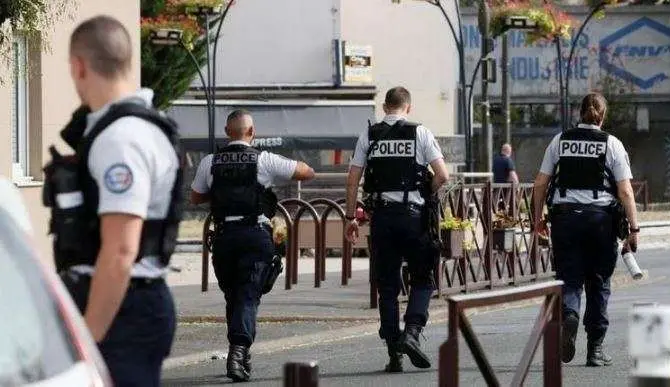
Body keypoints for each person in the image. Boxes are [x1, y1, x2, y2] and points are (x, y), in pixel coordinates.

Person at [42, 15, 182, 386]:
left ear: (78, 66)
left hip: (120, 309)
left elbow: (121, 252)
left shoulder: (121, 138)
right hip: (127, 305)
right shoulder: (133, 128)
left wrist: (86, 342)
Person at [190, 109, 315, 382]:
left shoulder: (210, 161)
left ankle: (240, 351)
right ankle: (238, 350)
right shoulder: (264, 160)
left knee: (233, 295)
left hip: (224, 237)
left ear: (226, 132)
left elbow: (196, 197)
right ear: (252, 132)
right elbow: (307, 172)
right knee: (247, 295)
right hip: (255, 235)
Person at [344, 86, 449, 373]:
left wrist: (351, 216)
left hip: (382, 219)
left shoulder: (369, 134)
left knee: (387, 287)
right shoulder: (421, 133)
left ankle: (394, 352)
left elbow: (352, 179)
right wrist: (427, 195)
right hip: (414, 218)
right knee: (423, 278)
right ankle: (412, 333)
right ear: (408, 108)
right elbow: (443, 175)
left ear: (384, 106)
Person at [532, 93, 639, 367]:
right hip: (600, 221)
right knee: (599, 283)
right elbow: (625, 191)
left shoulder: (559, 141)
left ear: (579, 114)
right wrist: (634, 228)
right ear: (602, 116)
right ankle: (595, 349)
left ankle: (569, 313)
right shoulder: (612, 144)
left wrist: (537, 218)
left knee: (569, 278)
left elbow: (540, 184)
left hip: (565, 220)